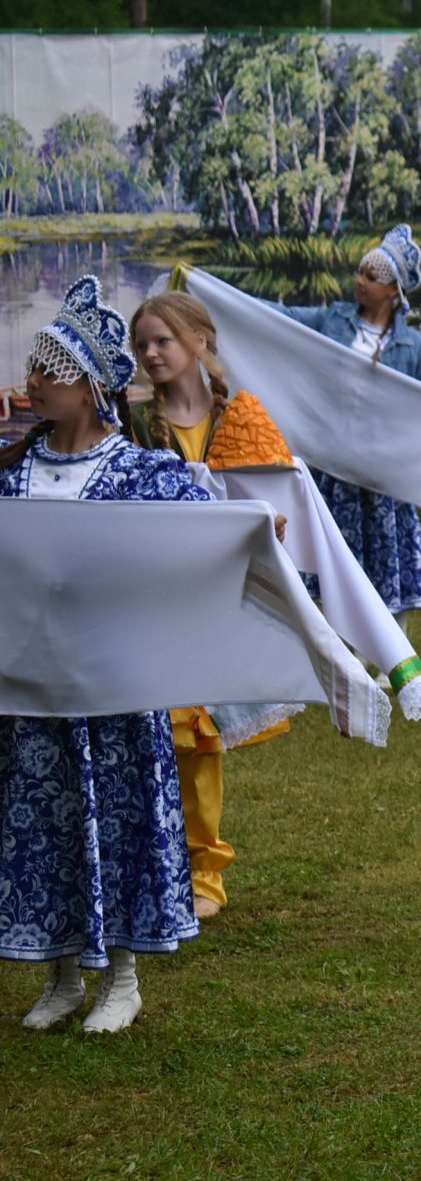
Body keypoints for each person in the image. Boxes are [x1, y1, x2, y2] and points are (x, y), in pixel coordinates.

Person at [1, 277, 209, 1033]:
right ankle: (61, 974)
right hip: (34, 689)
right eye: (31, 370)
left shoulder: (138, 472)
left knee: (114, 822)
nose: (30, 384)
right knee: (50, 825)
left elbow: (201, 538)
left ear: (89, 388)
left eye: (46, 373)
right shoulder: (16, 469)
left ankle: (121, 977)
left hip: (114, 687)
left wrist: (257, 533)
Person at [128, 290, 296, 919]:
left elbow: (272, 499)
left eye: (163, 340)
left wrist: (268, 527)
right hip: (160, 592)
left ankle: (205, 873)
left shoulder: (241, 419)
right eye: (142, 343)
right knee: (158, 731)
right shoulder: (136, 423)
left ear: (200, 340)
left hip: (224, 593)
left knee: (202, 742)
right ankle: (153, 864)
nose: (150, 353)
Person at [268, 224, 421, 617]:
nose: (360, 282)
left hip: (383, 475)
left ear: (394, 291)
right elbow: (279, 318)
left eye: (371, 277)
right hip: (334, 469)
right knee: (333, 564)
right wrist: (215, 297)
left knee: (389, 565)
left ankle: (394, 664)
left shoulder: (413, 347)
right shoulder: (333, 320)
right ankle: (342, 658)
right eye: (360, 273)